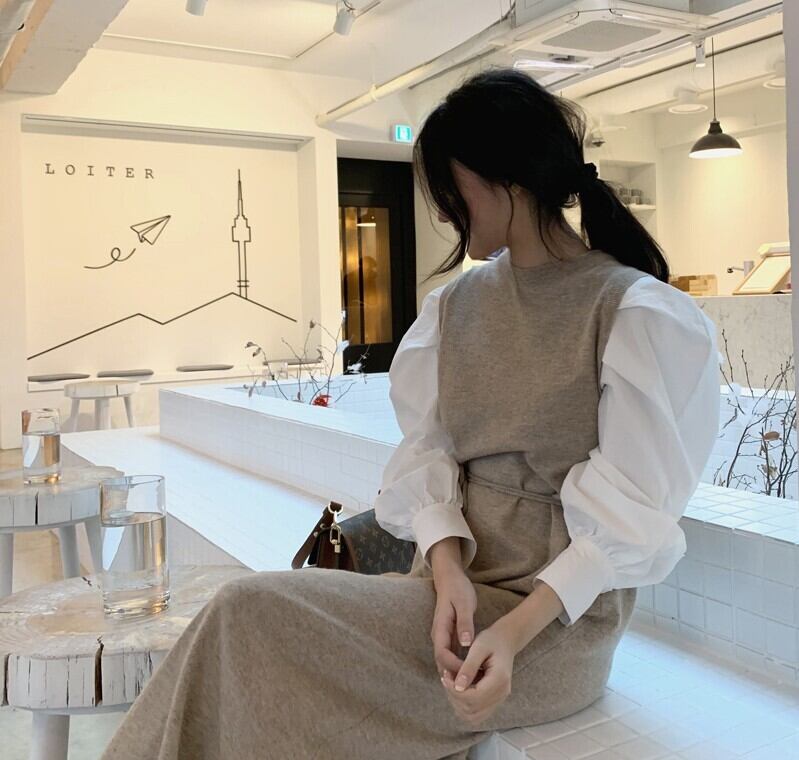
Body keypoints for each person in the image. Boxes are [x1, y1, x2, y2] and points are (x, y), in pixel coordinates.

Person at [101, 67, 721, 760]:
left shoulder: (633, 311)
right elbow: (431, 457)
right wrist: (447, 573)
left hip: (549, 627)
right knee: (245, 636)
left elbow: (632, 515)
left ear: (507, 180)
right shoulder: (454, 307)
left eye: (451, 188)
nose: (444, 211)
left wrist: (511, 633)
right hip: (448, 599)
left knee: (245, 616)